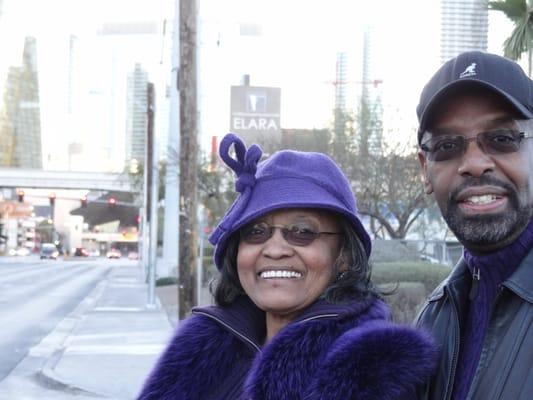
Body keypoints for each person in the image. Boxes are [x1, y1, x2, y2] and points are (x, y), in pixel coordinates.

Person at [137, 133, 436, 400]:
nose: (276, 249)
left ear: (343, 255)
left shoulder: (369, 366)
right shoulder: (202, 347)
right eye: (256, 232)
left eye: (303, 232)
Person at [415, 51, 533, 400]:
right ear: (425, 169)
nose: (475, 164)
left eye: (502, 138)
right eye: (447, 146)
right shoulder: (433, 319)